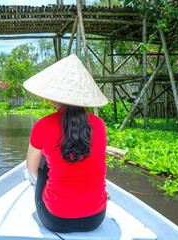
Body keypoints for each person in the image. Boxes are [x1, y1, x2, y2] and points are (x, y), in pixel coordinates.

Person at [23, 54, 109, 233]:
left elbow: (31, 169)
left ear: (53, 96)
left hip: (56, 220)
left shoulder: (42, 125)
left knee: (43, 164)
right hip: (96, 218)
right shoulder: (100, 124)